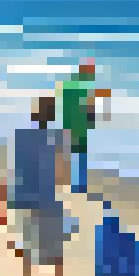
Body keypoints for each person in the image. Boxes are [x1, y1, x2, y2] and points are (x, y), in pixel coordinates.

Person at [7, 96, 74, 276]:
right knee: (55, 251)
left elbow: (16, 169)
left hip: (24, 198)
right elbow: (63, 174)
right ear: (52, 116)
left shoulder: (21, 136)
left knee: (29, 249)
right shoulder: (57, 139)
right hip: (46, 199)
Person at [58, 60, 111, 195]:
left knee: (71, 154)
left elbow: (67, 103)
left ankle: (72, 182)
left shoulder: (70, 84)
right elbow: (88, 104)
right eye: (91, 72)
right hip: (78, 126)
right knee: (79, 156)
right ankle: (78, 186)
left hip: (69, 125)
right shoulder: (82, 85)